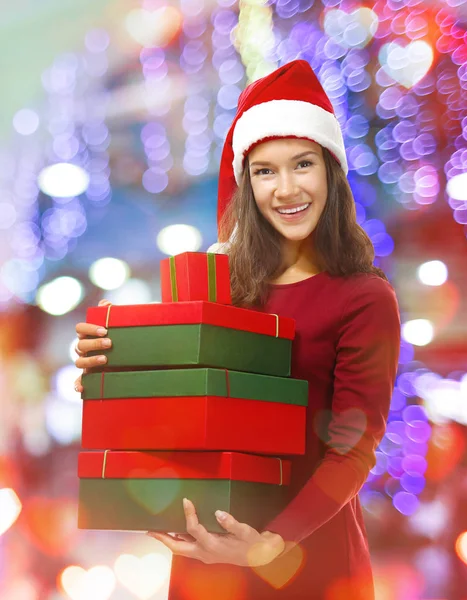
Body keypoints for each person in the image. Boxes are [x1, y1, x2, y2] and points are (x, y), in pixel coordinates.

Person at [74, 60, 401, 599]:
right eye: (265, 170)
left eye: (303, 164)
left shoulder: (364, 298)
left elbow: (353, 451)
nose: (286, 188)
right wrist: (111, 378)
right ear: (246, 182)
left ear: (330, 171)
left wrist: (267, 546)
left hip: (306, 556)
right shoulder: (218, 283)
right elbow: (179, 407)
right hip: (211, 553)